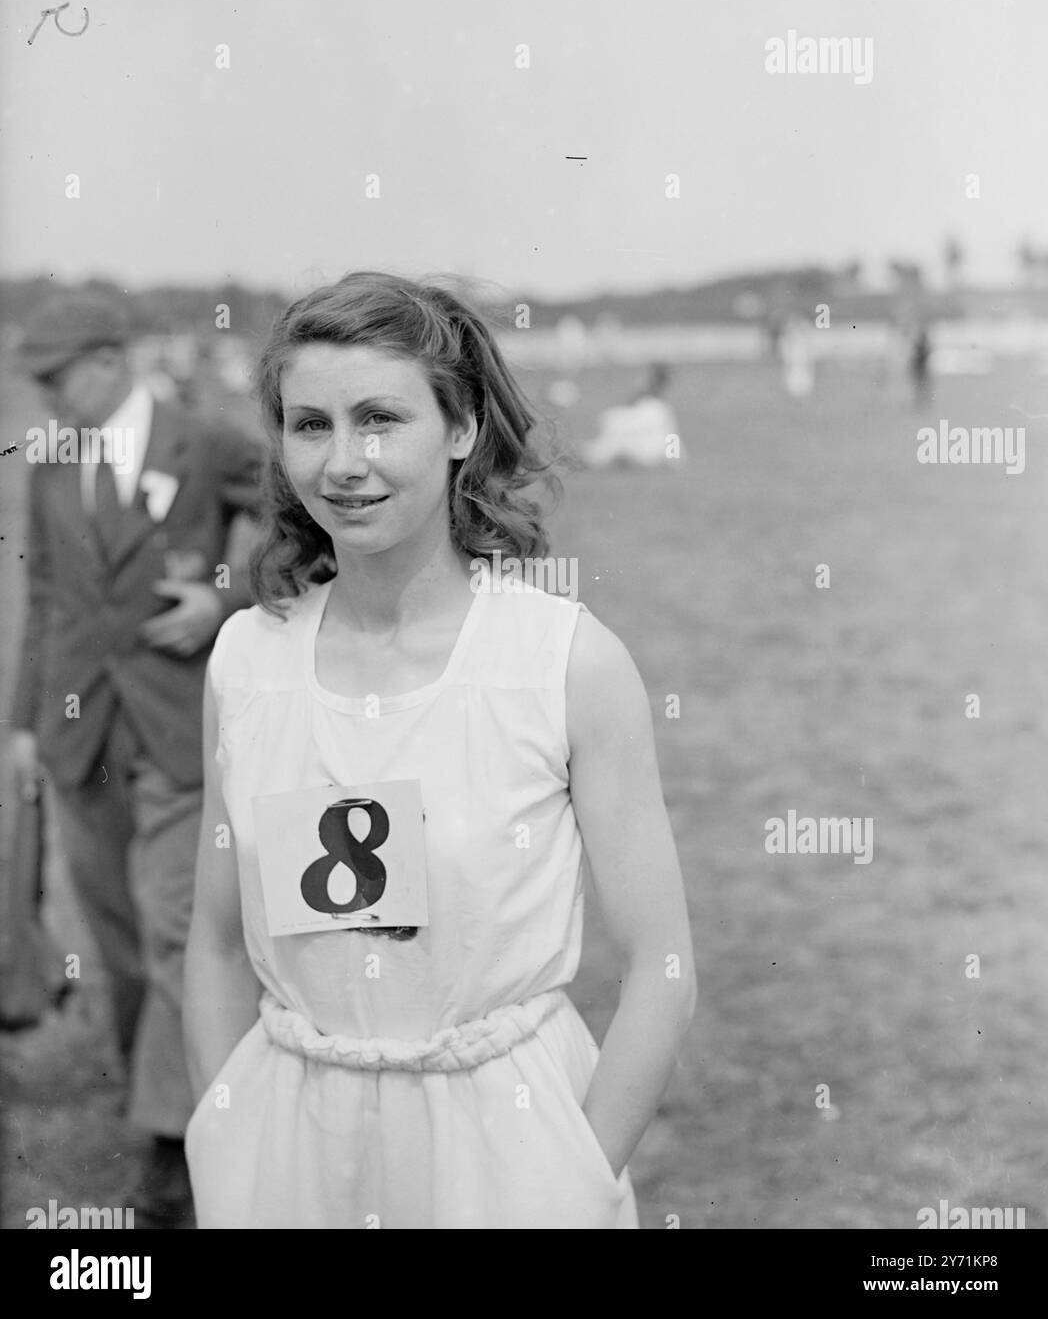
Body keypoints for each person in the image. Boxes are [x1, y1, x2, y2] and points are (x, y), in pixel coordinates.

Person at [183, 272, 696, 1229]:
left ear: (460, 429)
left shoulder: (566, 662)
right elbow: (215, 941)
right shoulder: (247, 660)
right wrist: (224, 1134)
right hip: (293, 1154)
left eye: (380, 419)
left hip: (503, 1152)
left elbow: (662, 964)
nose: (344, 462)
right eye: (310, 424)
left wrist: (576, 1177)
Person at [8, 292, 264, 1227]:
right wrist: (26, 726)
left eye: (54, 374)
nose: (41, 395)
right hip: (80, 734)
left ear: (111, 360)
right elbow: (42, 597)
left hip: (173, 723)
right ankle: (163, 1106)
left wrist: (225, 596)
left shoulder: (204, 439)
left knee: (173, 933)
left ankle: (172, 1152)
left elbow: (295, 509)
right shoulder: (49, 462)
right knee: (117, 943)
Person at [581, 362, 684, 468]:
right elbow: (671, 442)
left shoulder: (653, 407)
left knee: (602, 451)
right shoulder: (659, 409)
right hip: (645, 451)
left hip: (635, 448)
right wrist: (673, 460)